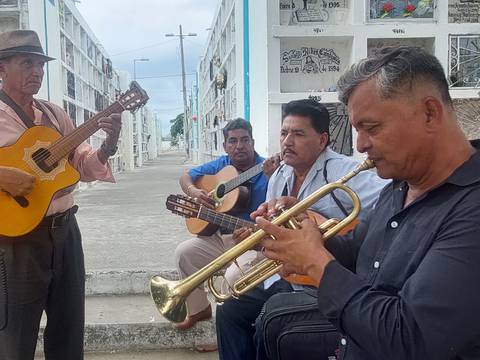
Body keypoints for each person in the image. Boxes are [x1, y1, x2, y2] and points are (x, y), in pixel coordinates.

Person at [255, 46, 480, 359]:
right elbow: (363, 256)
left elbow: (409, 338)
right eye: (356, 129)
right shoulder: (399, 186)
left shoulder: (472, 208)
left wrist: (316, 263)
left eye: (371, 128)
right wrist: (305, 231)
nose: (360, 145)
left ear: (430, 112)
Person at [215, 99, 389, 360]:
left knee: (271, 317)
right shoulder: (280, 175)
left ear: (322, 140)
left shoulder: (346, 172)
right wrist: (258, 237)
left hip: (328, 278)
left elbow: (392, 204)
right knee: (228, 309)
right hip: (290, 276)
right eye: (284, 133)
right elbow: (276, 232)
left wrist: (324, 225)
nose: (287, 141)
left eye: (298, 134)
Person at [0, 30, 121, 360]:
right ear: (2, 69)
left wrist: (108, 146)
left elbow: (82, 164)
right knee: (15, 338)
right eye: (27, 63)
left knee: (69, 329)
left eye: (39, 64)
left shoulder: (55, 115)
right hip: (16, 242)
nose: (36, 72)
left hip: (66, 233)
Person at [174, 118, 279, 331]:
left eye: (244, 140)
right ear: (225, 146)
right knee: (184, 253)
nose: (239, 146)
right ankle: (198, 310)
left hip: (254, 242)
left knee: (231, 279)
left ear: (253, 142)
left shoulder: (270, 169)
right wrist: (194, 192)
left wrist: (273, 178)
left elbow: (281, 206)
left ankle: (224, 332)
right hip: (220, 238)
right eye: (232, 141)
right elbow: (186, 177)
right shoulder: (220, 166)